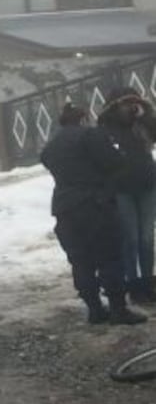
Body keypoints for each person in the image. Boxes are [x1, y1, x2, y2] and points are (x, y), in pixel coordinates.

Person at [42, 104, 147, 325]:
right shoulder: (90, 135)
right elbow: (115, 162)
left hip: (64, 207)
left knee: (80, 260)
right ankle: (118, 309)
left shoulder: (51, 145)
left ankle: (94, 309)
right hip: (94, 203)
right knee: (109, 256)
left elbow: (47, 161)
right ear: (82, 119)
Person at [97, 87, 156, 305]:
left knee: (147, 239)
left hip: (148, 185)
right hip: (122, 190)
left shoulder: (142, 123)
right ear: (115, 106)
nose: (131, 107)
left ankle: (148, 282)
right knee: (130, 239)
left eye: (135, 102)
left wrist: (146, 116)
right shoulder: (106, 128)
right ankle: (133, 285)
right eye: (126, 103)